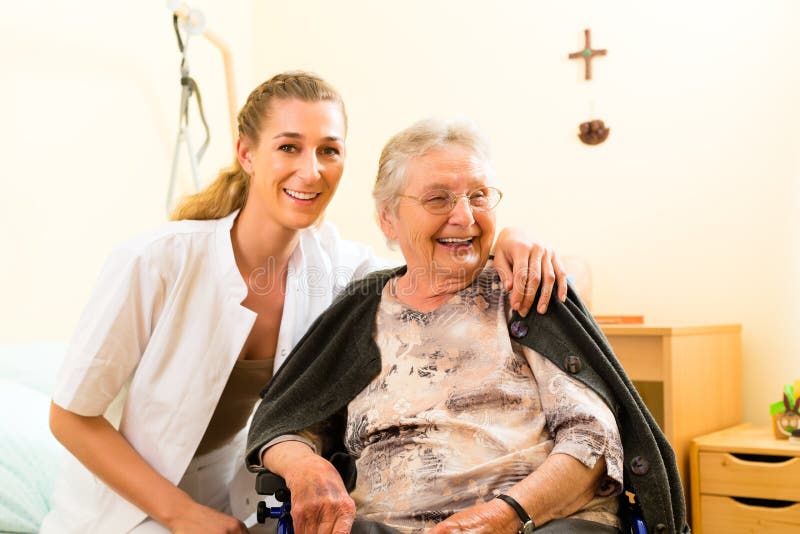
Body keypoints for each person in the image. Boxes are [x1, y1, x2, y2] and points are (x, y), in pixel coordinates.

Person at [42, 72, 567, 534]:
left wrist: (508, 240)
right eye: (289, 147)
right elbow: (70, 417)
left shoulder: (346, 270)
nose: (311, 171)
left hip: (237, 501)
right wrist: (181, 515)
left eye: (329, 150)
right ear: (247, 153)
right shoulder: (156, 260)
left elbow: (430, 258)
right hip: (126, 508)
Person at [246, 117, 688, 534]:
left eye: (478, 196)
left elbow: (593, 441)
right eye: (438, 198)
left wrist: (505, 515)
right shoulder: (363, 307)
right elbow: (286, 422)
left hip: (536, 523)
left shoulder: (524, 290)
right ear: (388, 219)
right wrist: (304, 466)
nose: (465, 217)